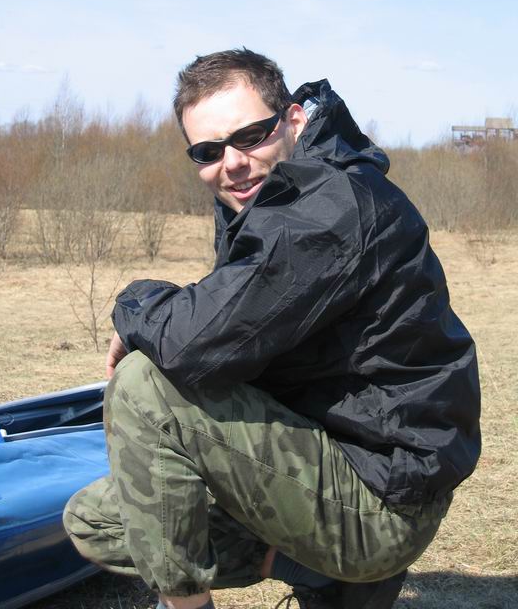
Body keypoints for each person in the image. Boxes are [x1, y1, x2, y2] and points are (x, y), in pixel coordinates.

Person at [64, 49, 481, 609]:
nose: (232, 163)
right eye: (209, 151)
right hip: (327, 459)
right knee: (98, 519)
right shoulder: (274, 201)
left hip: (383, 498)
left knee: (143, 384)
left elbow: (191, 345)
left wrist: (134, 306)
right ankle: (314, 573)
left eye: (250, 136)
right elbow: (226, 328)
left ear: (294, 122)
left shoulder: (329, 208)